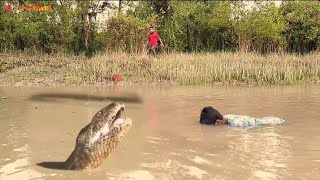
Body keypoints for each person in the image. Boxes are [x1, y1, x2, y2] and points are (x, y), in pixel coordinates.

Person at [199, 106, 285, 128]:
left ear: (217, 122)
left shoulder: (237, 125)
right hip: (268, 119)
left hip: (275, 122)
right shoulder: (227, 116)